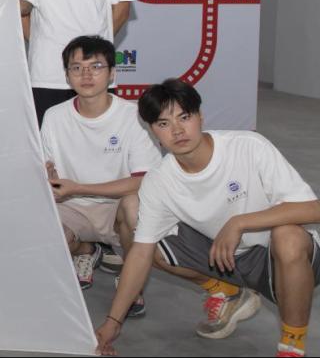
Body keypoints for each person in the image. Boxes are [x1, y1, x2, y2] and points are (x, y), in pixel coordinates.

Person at [95, 79, 320, 358]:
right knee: (143, 231)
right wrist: (113, 322)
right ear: (153, 130)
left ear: (200, 116)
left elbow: (313, 209)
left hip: (278, 259)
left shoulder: (248, 147)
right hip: (224, 259)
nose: (177, 130)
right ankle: (227, 291)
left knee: (288, 237)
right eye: (164, 123)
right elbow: (141, 253)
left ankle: (292, 347)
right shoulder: (160, 180)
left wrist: (239, 222)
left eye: (184, 117)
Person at [42, 36, 160, 312]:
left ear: (112, 73)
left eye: (95, 67)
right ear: (67, 76)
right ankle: (85, 250)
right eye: (76, 68)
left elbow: (144, 180)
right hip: (70, 206)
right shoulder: (54, 116)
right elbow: (46, 171)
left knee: (135, 205)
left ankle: (130, 280)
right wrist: (48, 176)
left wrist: (79, 188)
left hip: (116, 208)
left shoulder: (133, 116)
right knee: (34, 224)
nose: (86, 75)